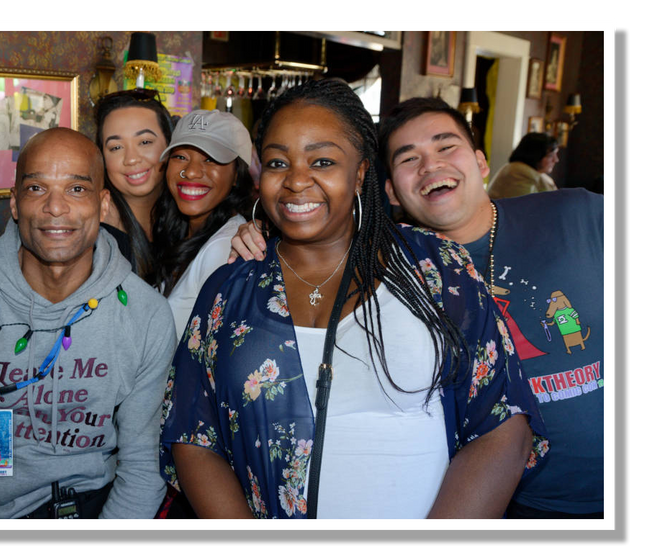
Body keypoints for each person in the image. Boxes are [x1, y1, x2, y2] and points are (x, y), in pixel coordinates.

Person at [160, 79, 548, 519]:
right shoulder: (230, 289)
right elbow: (192, 434)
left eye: (322, 160)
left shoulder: (439, 269)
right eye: (277, 162)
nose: (296, 180)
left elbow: (503, 423)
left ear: (361, 171)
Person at [0, 127, 177, 518]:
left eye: (76, 189)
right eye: (36, 189)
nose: (55, 207)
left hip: (100, 507)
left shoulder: (145, 313)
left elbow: (143, 463)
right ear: (14, 204)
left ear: (102, 205)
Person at [377, 97, 604, 519]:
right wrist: (255, 237)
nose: (431, 165)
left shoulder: (576, 213)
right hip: (509, 502)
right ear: (392, 190)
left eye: (446, 147)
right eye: (409, 158)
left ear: (481, 163)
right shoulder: (389, 269)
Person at [151, 109, 254, 336]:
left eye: (210, 159)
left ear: (237, 174)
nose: (191, 171)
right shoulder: (178, 231)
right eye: (180, 157)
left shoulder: (226, 248)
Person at [95, 89, 174, 278]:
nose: (131, 159)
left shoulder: (187, 216)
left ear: (170, 146)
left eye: (145, 142)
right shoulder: (98, 230)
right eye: (116, 147)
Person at [487, 132, 560, 199]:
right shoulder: (519, 173)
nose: (556, 160)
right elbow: (528, 208)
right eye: (550, 156)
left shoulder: (530, 172)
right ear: (535, 155)